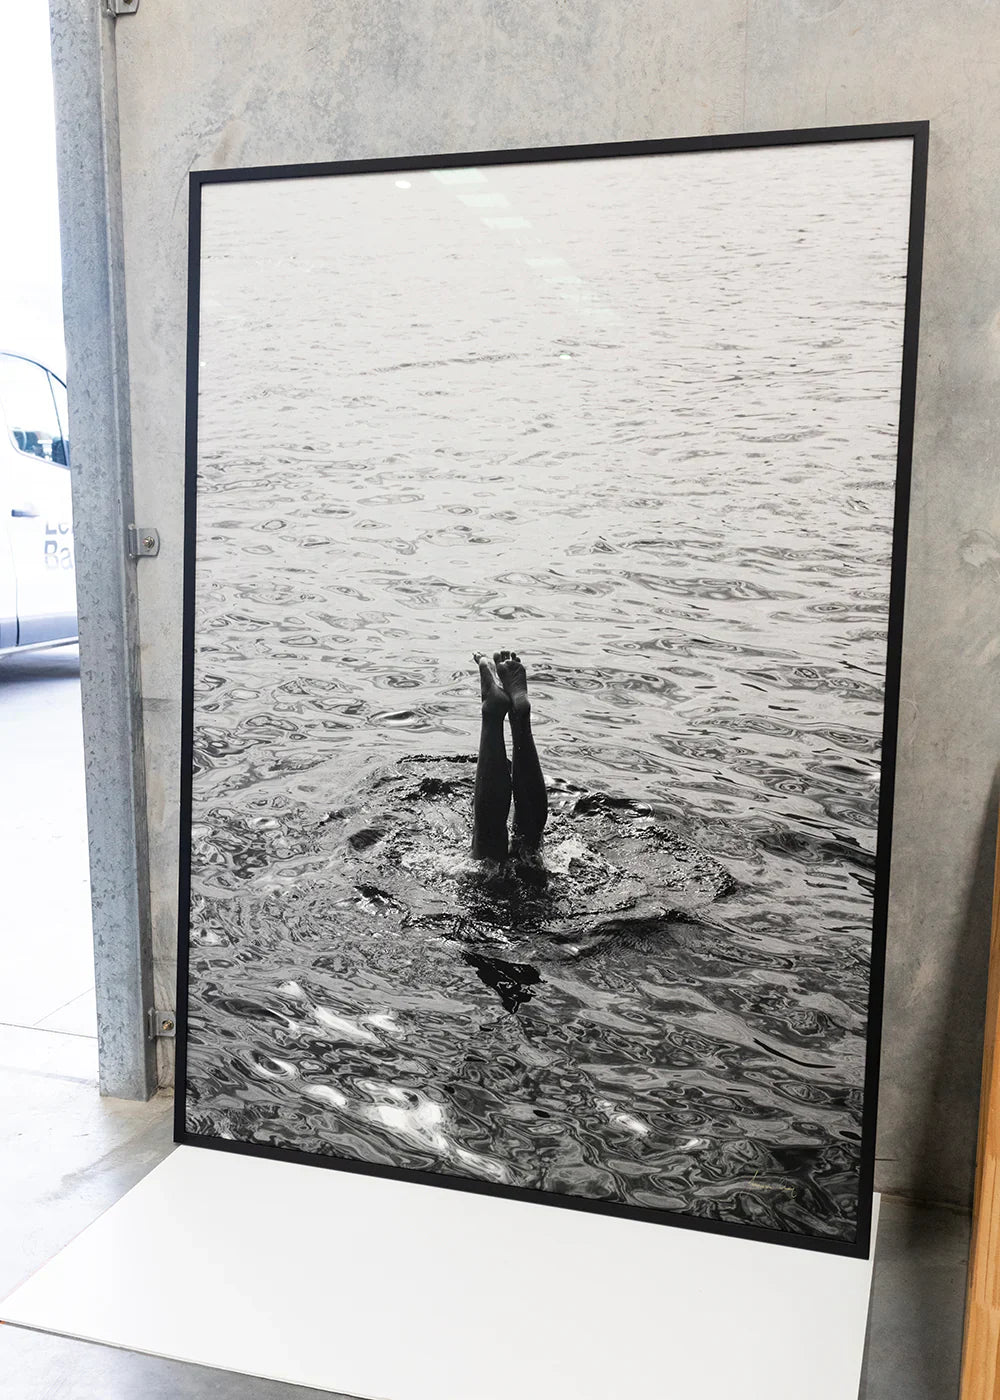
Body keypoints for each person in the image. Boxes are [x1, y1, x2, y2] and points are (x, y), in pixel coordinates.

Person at [472, 650, 548, 864]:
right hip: (541, 891)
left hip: (491, 892)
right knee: (530, 847)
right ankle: (519, 719)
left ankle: (492, 714)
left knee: (487, 854)